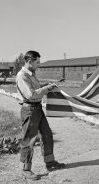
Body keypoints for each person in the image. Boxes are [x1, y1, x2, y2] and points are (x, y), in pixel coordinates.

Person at [16, 51, 66, 180]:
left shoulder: (31, 75)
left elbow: (36, 89)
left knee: (47, 134)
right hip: (29, 110)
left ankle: (50, 163)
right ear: (29, 61)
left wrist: (48, 85)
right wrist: (46, 89)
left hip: (37, 109)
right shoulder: (22, 76)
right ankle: (25, 169)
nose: (38, 65)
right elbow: (31, 95)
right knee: (29, 139)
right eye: (37, 62)